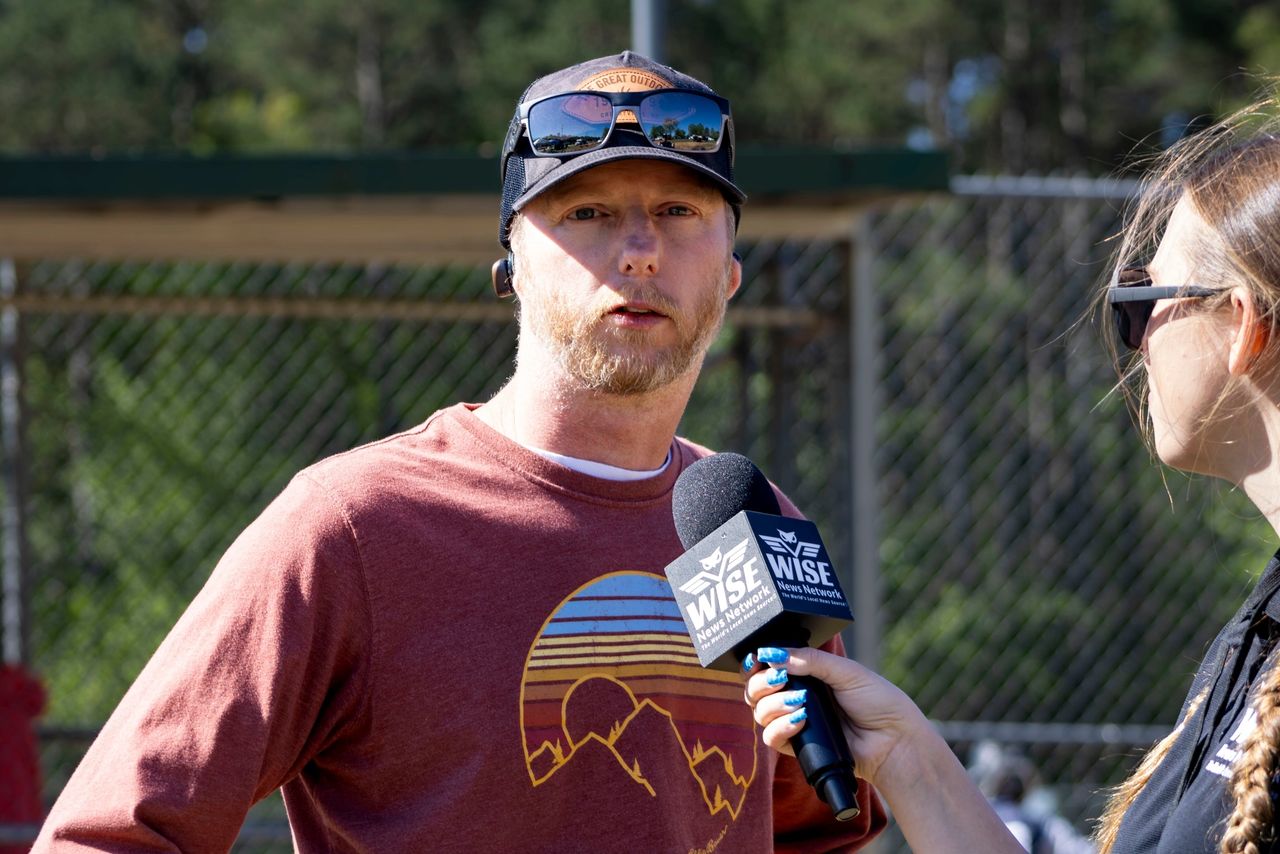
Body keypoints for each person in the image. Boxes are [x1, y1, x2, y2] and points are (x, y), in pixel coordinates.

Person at [33, 52, 885, 852]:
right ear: (510, 265)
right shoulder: (357, 527)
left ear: (729, 275)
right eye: (586, 212)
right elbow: (110, 833)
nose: (638, 249)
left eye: (678, 212)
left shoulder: (746, 518)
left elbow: (819, 827)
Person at [747, 95, 1280, 854]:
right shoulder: (1259, 629)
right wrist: (907, 756)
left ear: (1244, 324)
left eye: (1140, 302)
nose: (1135, 346)